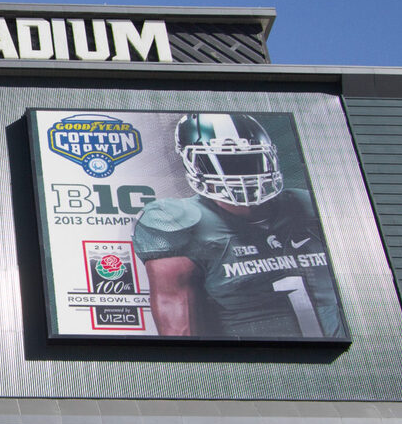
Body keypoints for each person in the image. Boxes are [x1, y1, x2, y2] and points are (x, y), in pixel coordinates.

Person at [132, 113, 343, 339]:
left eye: (249, 159)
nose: (240, 174)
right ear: (191, 162)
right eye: (224, 161)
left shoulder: (310, 206)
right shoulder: (176, 221)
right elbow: (182, 337)